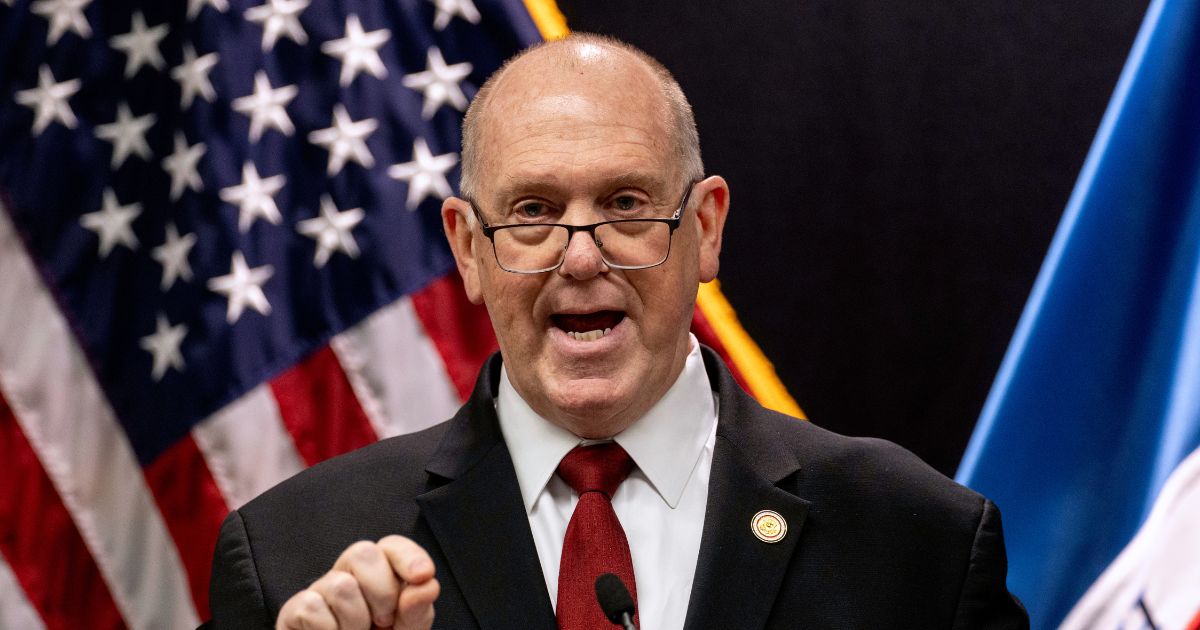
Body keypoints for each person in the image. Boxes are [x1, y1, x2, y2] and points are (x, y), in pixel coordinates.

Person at [206, 34, 1029, 630]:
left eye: (627, 206)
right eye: (533, 213)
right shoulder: (293, 555)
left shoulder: (914, 544)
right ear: (467, 247)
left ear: (705, 228)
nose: (580, 257)